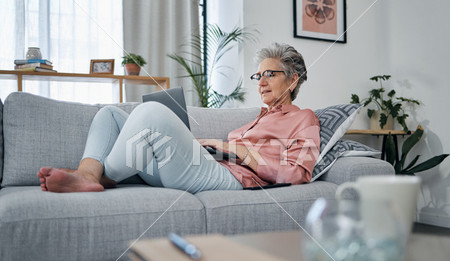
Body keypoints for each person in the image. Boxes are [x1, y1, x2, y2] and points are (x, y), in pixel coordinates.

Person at [38, 43, 320, 193]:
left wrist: (244, 152)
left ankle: (92, 175)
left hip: (229, 177)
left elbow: (297, 174)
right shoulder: (255, 119)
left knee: (151, 113)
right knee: (109, 114)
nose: (261, 82)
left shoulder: (304, 119)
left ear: (293, 80)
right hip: (201, 163)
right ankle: (91, 174)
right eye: (258, 75)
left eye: (270, 74)